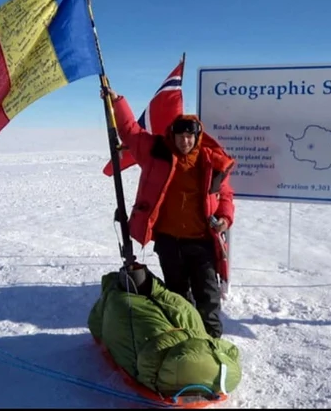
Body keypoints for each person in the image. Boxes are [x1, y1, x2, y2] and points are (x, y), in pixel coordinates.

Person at [101, 87, 236, 338]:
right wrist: (116, 101)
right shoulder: (156, 153)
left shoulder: (211, 161)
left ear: (197, 137)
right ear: (172, 136)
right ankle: (185, 339)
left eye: (190, 136)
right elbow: (130, 131)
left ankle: (213, 343)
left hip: (201, 241)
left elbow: (226, 195)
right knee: (177, 294)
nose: (185, 141)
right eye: (180, 136)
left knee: (207, 295)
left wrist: (225, 219)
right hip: (169, 241)